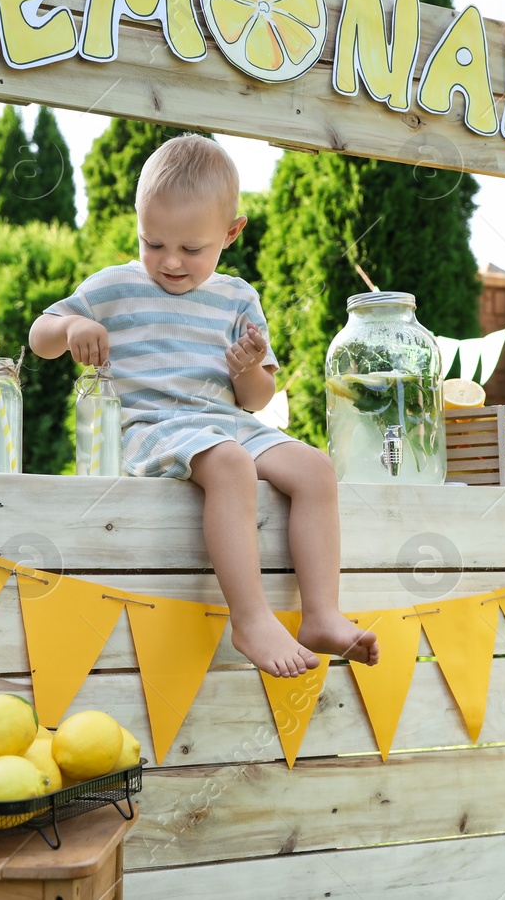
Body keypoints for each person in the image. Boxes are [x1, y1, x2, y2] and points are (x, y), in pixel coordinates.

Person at [29, 134, 378, 677]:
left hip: (225, 421)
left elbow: (257, 399)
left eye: (191, 248)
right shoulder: (114, 286)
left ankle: (321, 614)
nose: (169, 261)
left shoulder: (238, 297)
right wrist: (74, 325)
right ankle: (252, 618)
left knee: (314, 469)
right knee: (231, 463)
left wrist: (245, 371)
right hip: (149, 425)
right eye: (153, 242)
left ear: (230, 233)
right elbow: (39, 336)